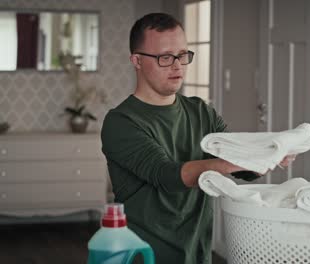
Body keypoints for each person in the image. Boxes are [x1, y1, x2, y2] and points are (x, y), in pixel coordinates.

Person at [100, 13, 294, 264]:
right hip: (144, 255)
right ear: (136, 60)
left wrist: (270, 155)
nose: (177, 65)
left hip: (198, 253)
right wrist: (232, 162)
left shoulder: (201, 111)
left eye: (182, 55)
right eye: (165, 57)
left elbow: (243, 169)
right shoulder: (121, 122)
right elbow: (165, 175)